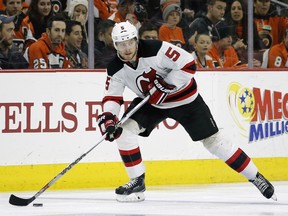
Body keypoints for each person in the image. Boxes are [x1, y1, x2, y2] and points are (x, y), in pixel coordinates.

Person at [97, 21, 276, 202]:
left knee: (215, 142)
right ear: (115, 45)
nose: (126, 48)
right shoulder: (115, 68)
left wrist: (166, 85)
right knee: (124, 131)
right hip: (154, 104)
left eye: (129, 42)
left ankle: (256, 177)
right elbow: (112, 97)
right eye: (121, 44)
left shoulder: (156, 49)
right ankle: (137, 183)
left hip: (186, 101)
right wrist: (109, 118)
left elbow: (189, 64)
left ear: (136, 40)